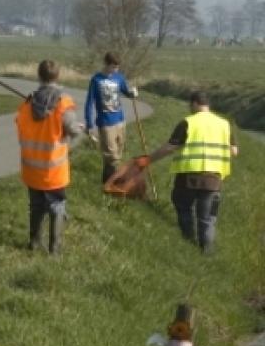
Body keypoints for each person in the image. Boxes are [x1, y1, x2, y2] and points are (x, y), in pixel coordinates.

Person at [135, 91, 238, 254]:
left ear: (195, 103)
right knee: (207, 218)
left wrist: (148, 160)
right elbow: (234, 151)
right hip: (214, 179)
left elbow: (170, 147)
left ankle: (187, 242)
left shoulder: (187, 122)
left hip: (188, 177)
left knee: (184, 209)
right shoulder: (224, 124)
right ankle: (207, 251)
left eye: (190, 105)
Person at [16, 59, 84, 254]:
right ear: (58, 76)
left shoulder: (27, 104)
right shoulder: (63, 103)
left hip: (31, 168)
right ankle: (55, 248)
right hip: (54, 170)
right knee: (57, 206)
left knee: (36, 206)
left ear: (39, 76)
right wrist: (79, 129)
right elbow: (72, 129)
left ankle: (34, 242)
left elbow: (20, 128)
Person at [84, 51, 138, 183]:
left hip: (120, 121)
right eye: (113, 67)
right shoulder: (96, 80)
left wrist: (133, 93)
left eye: (117, 67)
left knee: (117, 155)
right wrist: (90, 124)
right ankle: (112, 184)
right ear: (106, 64)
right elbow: (89, 102)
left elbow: (126, 92)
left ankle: (107, 182)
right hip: (105, 123)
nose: (115, 70)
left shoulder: (119, 78)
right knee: (112, 156)